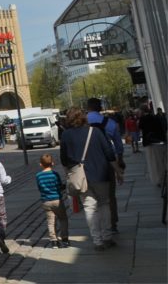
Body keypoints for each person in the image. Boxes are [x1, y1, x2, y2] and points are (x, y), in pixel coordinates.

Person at [61, 106, 117, 251]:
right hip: (101, 174)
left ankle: (97, 241)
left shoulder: (66, 135)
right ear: (83, 117)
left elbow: (64, 159)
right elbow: (109, 152)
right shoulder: (95, 131)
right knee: (104, 203)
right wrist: (118, 170)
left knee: (89, 207)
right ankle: (107, 237)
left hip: (81, 177)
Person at [87, 98, 124, 233]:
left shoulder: (82, 122)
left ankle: (96, 227)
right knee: (109, 196)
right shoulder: (111, 123)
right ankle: (112, 224)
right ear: (100, 108)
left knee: (90, 198)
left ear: (88, 107)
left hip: (87, 163)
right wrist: (119, 162)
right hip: (107, 163)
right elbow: (119, 146)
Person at [35, 154, 69, 248]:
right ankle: (65, 239)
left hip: (46, 201)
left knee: (50, 221)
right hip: (57, 200)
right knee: (63, 218)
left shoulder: (38, 176)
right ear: (52, 163)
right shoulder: (55, 174)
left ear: (41, 164)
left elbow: (39, 187)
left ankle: (54, 241)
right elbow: (59, 186)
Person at [138, 102, 167, 186]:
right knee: (161, 162)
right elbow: (162, 129)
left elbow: (140, 127)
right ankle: (164, 178)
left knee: (153, 163)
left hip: (149, 143)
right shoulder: (155, 117)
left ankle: (158, 179)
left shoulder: (143, 119)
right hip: (159, 142)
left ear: (142, 111)